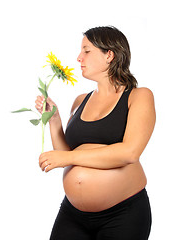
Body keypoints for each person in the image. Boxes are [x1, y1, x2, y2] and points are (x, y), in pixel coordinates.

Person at [35, 26, 155, 240]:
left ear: (109, 55)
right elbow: (66, 157)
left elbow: (129, 153)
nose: (79, 57)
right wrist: (54, 120)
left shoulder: (139, 96)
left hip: (123, 214)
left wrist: (68, 157)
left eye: (86, 51)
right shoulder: (81, 101)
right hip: (73, 214)